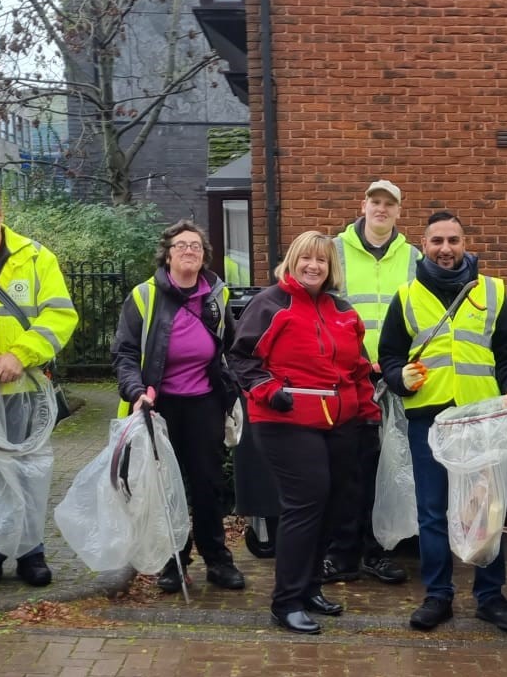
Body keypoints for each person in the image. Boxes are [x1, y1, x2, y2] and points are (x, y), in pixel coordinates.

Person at [376, 210, 507, 633]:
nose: (445, 249)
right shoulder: (407, 295)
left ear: (465, 244)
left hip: (482, 419)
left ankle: (490, 596)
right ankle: (438, 595)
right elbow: (389, 354)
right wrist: (398, 378)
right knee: (432, 511)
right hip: (430, 419)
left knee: (486, 509)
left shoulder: (493, 292)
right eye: (436, 242)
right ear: (423, 246)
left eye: (453, 241)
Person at [228, 231, 380, 634]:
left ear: (331, 268)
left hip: (340, 421)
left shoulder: (342, 311)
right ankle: (286, 601)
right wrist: (267, 390)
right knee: (307, 500)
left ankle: (310, 587)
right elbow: (242, 358)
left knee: (334, 503)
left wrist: (368, 413)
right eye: (306, 259)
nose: (314, 266)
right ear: (293, 261)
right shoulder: (270, 304)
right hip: (286, 419)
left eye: (322, 261)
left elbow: (359, 369)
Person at [111, 220, 244, 595]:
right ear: (167, 254)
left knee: (208, 483)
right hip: (159, 404)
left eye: (197, 246)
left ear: (205, 257)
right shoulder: (144, 296)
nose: (190, 251)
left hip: (203, 402)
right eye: (182, 245)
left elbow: (230, 349)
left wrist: (232, 390)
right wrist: (135, 390)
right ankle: (174, 562)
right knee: (168, 487)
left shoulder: (217, 296)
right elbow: (123, 352)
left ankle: (217, 559)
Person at [0, 175, 77, 587]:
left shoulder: (35, 257)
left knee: (28, 475)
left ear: (0, 212)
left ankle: (31, 553)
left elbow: (60, 315)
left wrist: (18, 355)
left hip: (26, 390)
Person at [325, 180, 416, 586]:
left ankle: (378, 551)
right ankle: (341, 552)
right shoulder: (336, 251)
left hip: (394, 379)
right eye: (375, 202)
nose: (381, 209)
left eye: (389, 205)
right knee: (346, 469)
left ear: (399, 212)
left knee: (386, 468)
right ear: (362, 205)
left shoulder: (413, 257)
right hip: (347, 377)